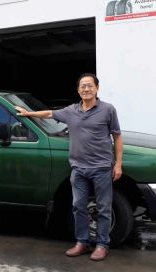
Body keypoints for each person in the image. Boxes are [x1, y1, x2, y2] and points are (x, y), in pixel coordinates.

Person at [14, 73, 123, 261]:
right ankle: (82, 242)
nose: (86, 89)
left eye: (89, 85)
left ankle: (102, 245)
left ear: (97, 88)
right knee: (78, 206)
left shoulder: (108, 110)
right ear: (78, 90)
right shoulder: (71, 111)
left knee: (104, 208)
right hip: (78, 169)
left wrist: (118, 164)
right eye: (82, 86)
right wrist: (27, 113)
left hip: (101, 168)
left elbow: (117, 137)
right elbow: (49, 113)